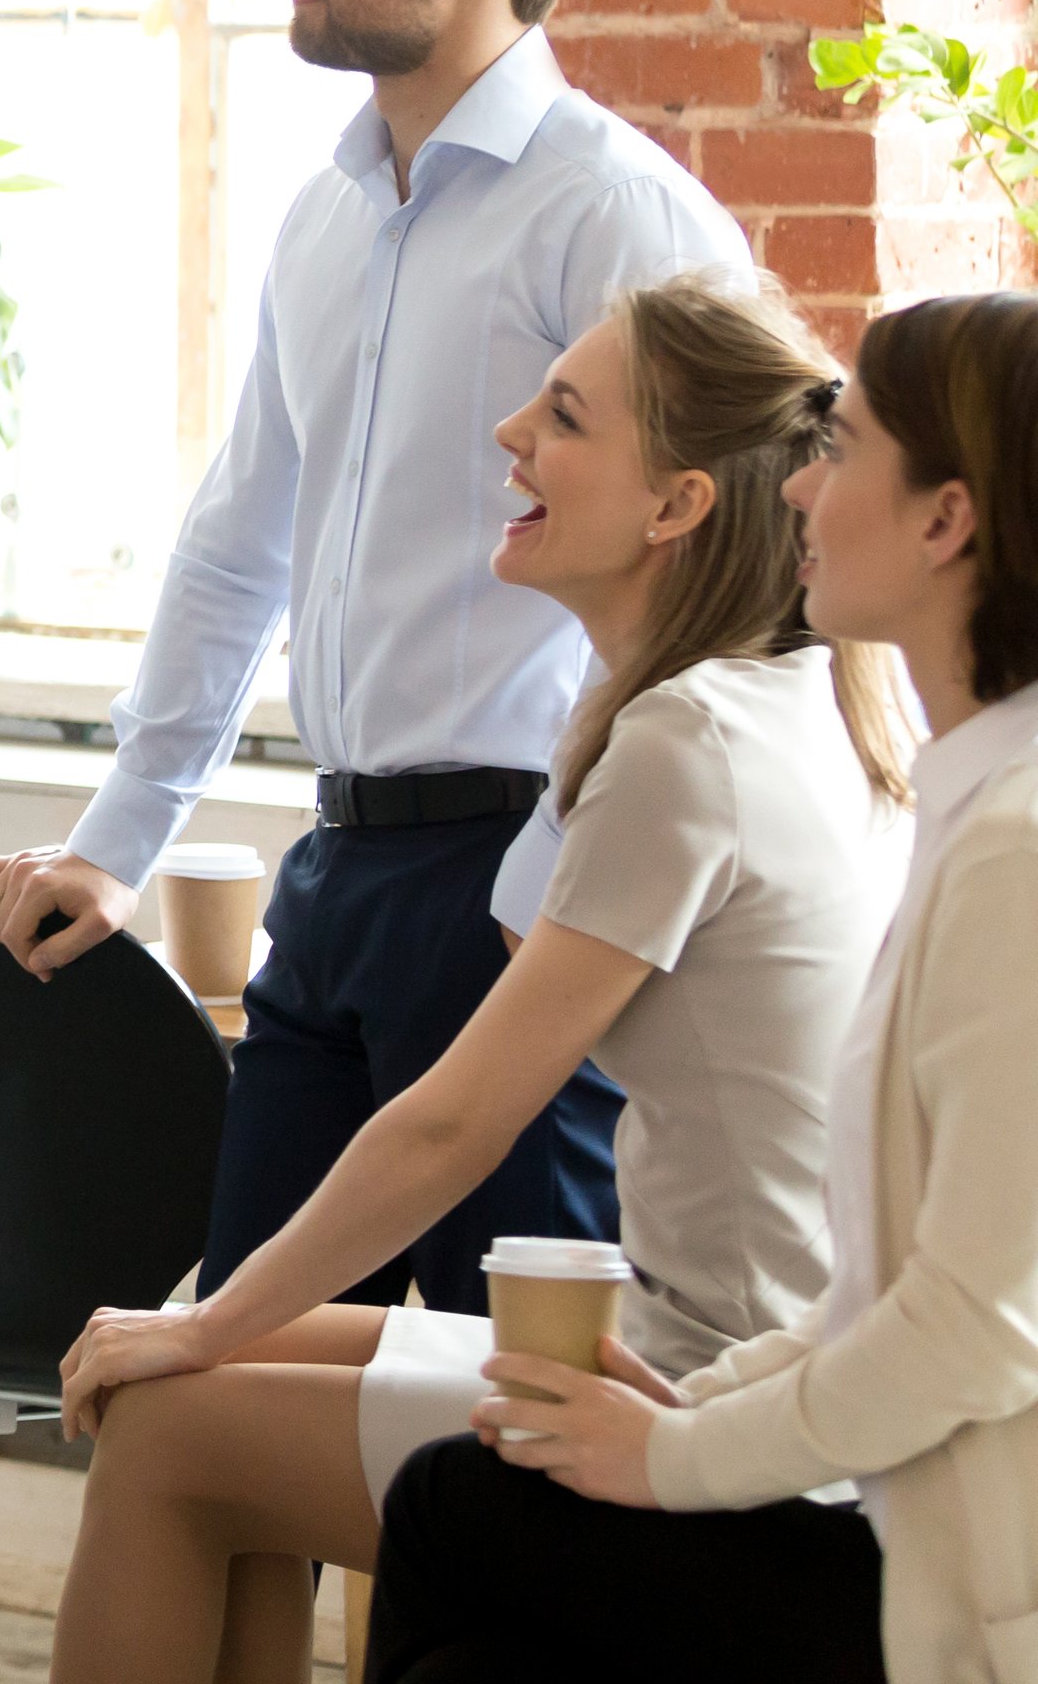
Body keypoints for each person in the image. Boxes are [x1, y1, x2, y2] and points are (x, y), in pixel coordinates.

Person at [0, 0, 748, 1312]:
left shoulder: (621, 215)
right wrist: (121, 841)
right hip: (330, 880)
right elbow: (240, 538)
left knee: (485, 1443)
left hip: (522, 879)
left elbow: (734, 567)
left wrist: (563, 887)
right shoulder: (327, 214)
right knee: (229, 1388)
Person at [35, 273, 907, 1683]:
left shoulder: (687, 742)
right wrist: (204, 1330)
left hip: (710, 1409)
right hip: (716, 1353)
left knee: (170, 1426)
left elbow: (458, 1121)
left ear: (677, 505)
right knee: (193, 1383)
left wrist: (198, 1316)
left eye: (562, 416)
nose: (509, 432)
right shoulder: (791, 700)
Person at [367, 290, 1038, 1684]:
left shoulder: (1010, 851)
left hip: (958, 1593)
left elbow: (973, 1328)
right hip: (874, 1488)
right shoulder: (960, 800)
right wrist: (698, 1402)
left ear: (945, 522)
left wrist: (673, 1453)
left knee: (455, 1509)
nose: (796, 480)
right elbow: (896, 1290)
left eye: (842, 450)